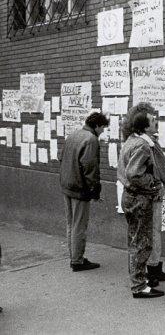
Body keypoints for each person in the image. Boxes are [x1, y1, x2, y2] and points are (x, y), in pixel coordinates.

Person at [122, 103, 165, 288]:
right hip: (143, 197)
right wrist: (154, 184)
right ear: (143, 126)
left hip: (137, 195)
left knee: (139, 239)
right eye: (152, 120)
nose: (156, 122)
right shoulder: (143, 145)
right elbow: (133, 174)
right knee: (143, 240)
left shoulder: (135, 141)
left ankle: (145, 275)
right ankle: (140, 283)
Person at [59, 112, 109, 272]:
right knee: (79, 226)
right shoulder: (91, 139)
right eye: (102, 128)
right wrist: (95, 191)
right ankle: (77, 261)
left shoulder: (73, 135)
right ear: (97, 125)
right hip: (80, 188)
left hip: (67, 185)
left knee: (71, 224)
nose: (103, 131)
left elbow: (61, 158)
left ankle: (74, 256)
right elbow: (90, 168)